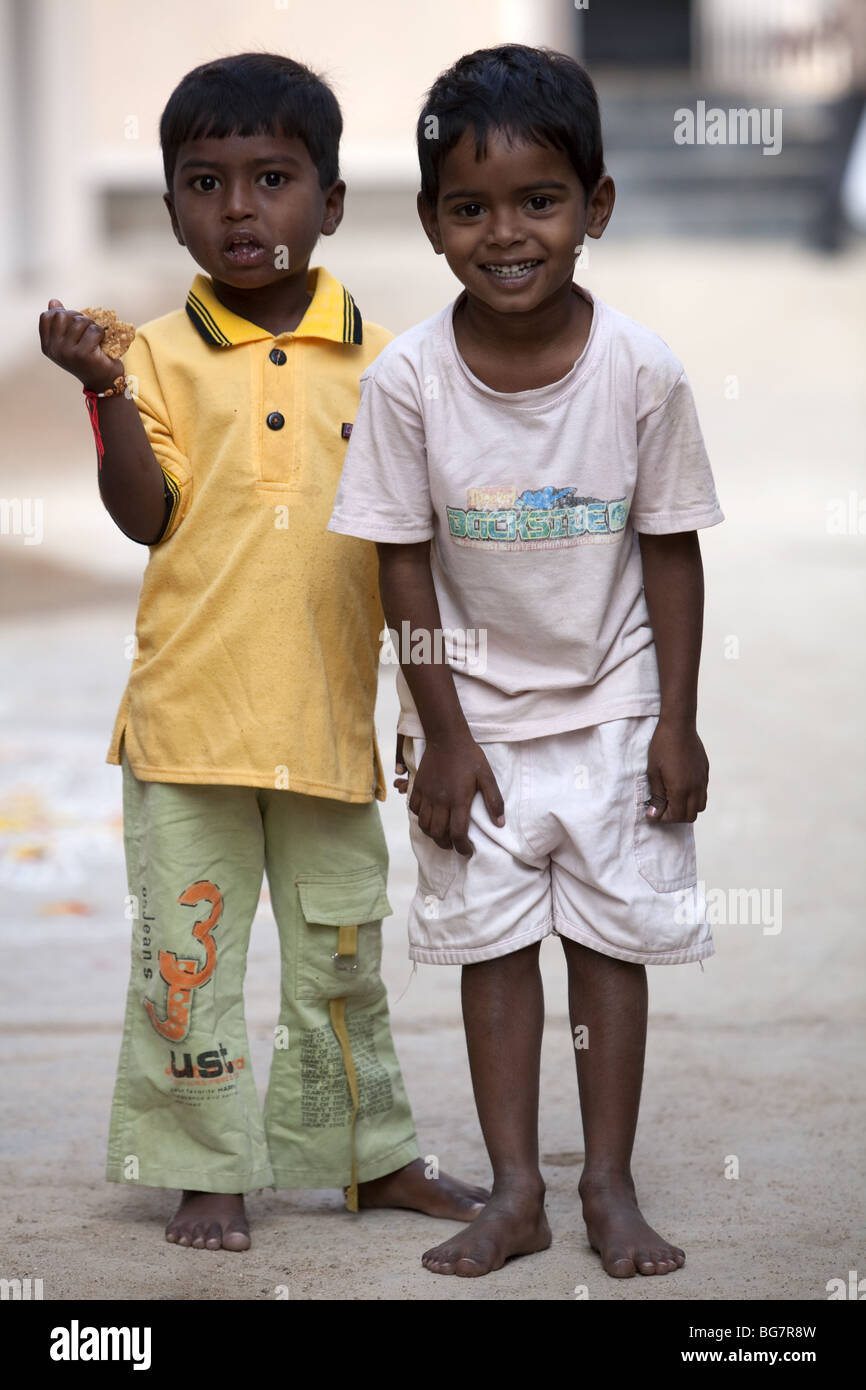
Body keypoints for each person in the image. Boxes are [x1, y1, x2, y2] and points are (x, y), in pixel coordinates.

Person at [38, 51, 486, 1253]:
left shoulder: (392, 361)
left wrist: (445, 721)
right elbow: (148, 516)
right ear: (174, 204)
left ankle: (364, 1156)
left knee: (342, 958)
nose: (239, 209)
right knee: (184, 961)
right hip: (188, 726)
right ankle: (204, 1166)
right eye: (204, 182)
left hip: (329, 727)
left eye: (272, 178)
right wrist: (101, 394)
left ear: (330, 202)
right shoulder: (145, 356)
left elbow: (422, 546)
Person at [328, 44, 724, 1279]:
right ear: (433, 224)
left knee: (608, 947)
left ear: (593, 206)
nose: (506, 233)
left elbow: (669, 553)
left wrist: (674, 721)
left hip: (612, 708)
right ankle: (514, 1193)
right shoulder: (405, 382)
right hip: (476, 727)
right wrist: (441, 731)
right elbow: (399, 563)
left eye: (538, 201)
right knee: (492, 951)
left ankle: (605, 1184)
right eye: (469, 207)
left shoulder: (641, 372)